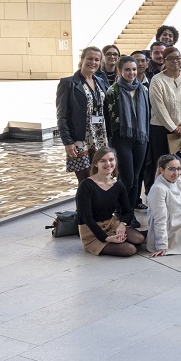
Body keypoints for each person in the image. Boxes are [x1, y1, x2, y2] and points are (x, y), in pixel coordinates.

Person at [76, 148, 144, 257]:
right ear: (96, 164)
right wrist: (106, 238)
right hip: (91, 230)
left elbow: (128, 211)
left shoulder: (118, 185)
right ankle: (104, 243)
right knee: (130, 250)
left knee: (139, 238)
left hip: (111, 224)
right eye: (103, 161)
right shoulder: (86, 185)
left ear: (115, 162)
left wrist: (122, 224)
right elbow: (86, 217)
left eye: (111, 160)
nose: (108, 163)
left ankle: (117, 239)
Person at [147, 47, 181, 196]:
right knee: (163, 165)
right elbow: (158, 106)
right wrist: (173, 127)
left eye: (177, 58)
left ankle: (180, 196)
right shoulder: (157, 80)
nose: (175, 61)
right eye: (170, 58)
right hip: (161, 129)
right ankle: (161, 196)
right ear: (164, 60)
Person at [58, 46, 110, 184]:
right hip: (80, 140)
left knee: (101, 178)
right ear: (82, 59)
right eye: (90, 58)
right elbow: (62, 115)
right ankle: (84, 206)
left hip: (100, 137)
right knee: (86, 181)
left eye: (97, 60)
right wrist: (67, 141)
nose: (93, 62)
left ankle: (98, 206)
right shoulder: (68, 83)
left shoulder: (100, 81)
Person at [105, 55, 149, 215]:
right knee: (127, 178)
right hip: (122, 139)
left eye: (134, 69)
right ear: (120, 71)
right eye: (127, 70)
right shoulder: (112, 91)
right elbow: (108, 118)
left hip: (140, 138)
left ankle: (130, 213)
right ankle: (120, 210)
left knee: (136, 177)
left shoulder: (143, 89)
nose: (131, 73)